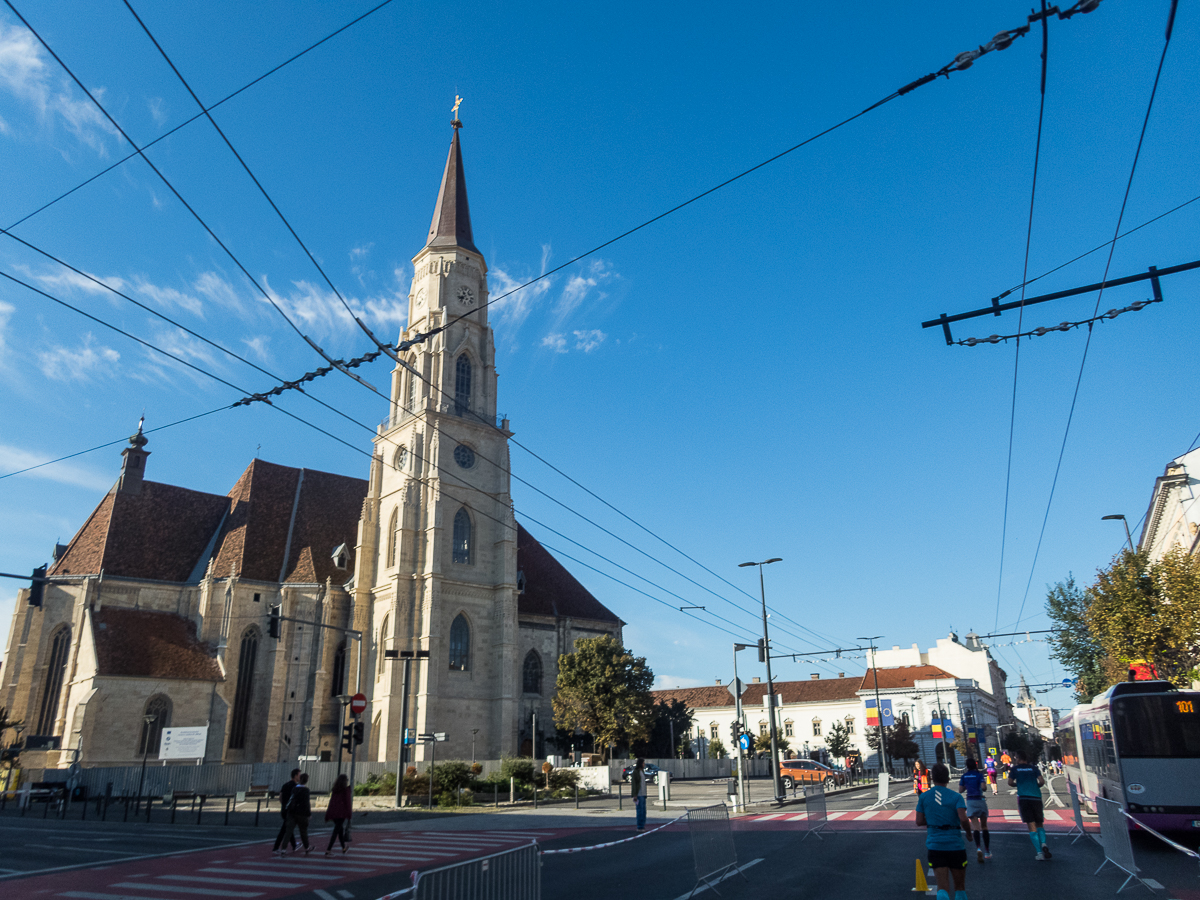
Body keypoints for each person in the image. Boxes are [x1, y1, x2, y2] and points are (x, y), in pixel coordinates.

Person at [915, 763, 971, 900]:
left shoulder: (924, 797)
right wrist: (969, 834)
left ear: (933, 779)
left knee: (942, 887)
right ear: (948, 778)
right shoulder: (956, 797)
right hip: (955, 845)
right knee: (960, 887)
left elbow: (919, 821)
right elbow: (963, 818)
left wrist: (935, 820)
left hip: (935, 846)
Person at [1008, 750, 1051, 860]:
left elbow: (1010, 782)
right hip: (1036, 797)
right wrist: (1034, 786)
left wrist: (1018, 784)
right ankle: (1044, 843)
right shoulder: (1033, 768)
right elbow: (1042, 782)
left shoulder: (1015, 769)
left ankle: (1039, 853)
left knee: (1031, 825)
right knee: (1039, 823)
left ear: (1018, 758)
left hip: (1024, 798)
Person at [958, 757, 991, 863]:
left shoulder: (964, 776)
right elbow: (984, 787)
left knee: (975, 827)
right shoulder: (979, 775)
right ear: (975, 765)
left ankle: (978, 848)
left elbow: (960, 790)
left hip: (971, 801)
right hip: (980, 800)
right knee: (984, 826)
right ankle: (987, 851)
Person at [282, 771, 313, 855]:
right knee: (303, 831)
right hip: (302, 814)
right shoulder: (306, 790)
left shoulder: (294, 789)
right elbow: (307, 803)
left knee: (289, 831)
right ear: (306, 781)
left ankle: (283, 849)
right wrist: (309, 814)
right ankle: (306, 847)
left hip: (292, 812)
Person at [272, 769, 301, 855]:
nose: (300, 777)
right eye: (299, 775)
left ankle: (294, 845)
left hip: (284, 810)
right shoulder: (296, 787)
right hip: (290, 811)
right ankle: (276, 847)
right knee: (284, 829)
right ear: (295, 776)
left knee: (288, 828)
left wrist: (284, 805)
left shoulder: (285, 785)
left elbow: (280, 797)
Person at [324, 774, 353, 855]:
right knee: (336, 831)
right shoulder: (345, 790)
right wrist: (349, 815)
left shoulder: (335, 789)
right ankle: (328, 849)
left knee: (340, 831)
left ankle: (344, 848)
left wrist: (328, 814)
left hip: (334, 813)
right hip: (341, 814)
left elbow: (331, 802)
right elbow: (348, 803)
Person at [631, 757, 648, 831]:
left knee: (644, 811)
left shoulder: (642, 772)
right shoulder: (636, 772)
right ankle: (640, 826)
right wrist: (635, 794)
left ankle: (643, 825)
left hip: (643, 794)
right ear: (640, 764)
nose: (644, 764)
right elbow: (634, 784)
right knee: (640, 811)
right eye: (643, 763)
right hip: (639, 794)